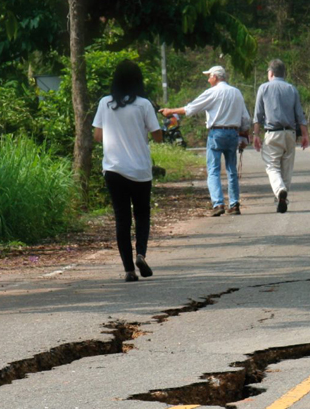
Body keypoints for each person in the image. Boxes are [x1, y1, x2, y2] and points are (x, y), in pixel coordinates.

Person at [93, 60, 162, 283]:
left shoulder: (105, 103)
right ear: (138, 81)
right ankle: (141, 254)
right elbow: (157, 136)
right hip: (140, 169)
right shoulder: (144, 105)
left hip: (114, 169)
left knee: (122, 219)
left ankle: (129, 270)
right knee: (142, 215)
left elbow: (97, 136)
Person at [161, 65, 251, 216]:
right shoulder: (236, 93)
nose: (209, 80)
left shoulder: (212, 92)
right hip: (233, 133)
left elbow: (190, 109)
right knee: (231, 170)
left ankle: (218, 203)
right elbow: (246, 118)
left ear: (215, 77)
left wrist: (170, 111)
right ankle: (234, 204)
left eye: (209, 77)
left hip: (217, 133)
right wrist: (243, 136)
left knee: (213, 170)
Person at [253, 59, 310, 213]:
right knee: (287, 167)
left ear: (271, 73)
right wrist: (305, 134)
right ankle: (282, 197)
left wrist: (256, 135)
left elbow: (258, 115)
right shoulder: (292, 89)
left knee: (272, 166)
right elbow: (300, 114)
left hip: (272, 133)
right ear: (284, 73)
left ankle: (279, 191)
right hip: (290, 133)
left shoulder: (263, 88)